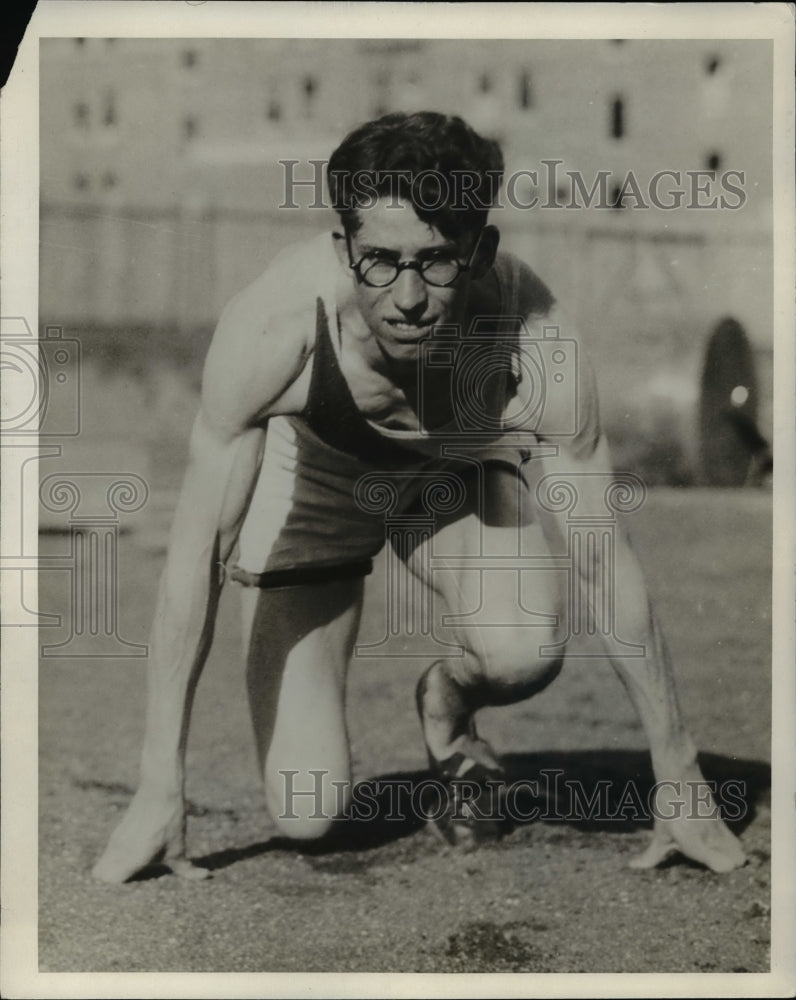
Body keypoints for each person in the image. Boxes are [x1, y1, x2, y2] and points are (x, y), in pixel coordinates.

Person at [93, 111, 746, 882]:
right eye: (379, 261)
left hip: (450, 476)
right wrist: (159, 787)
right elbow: (192, 564)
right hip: (314, 480)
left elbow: (605, 561)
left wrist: (678, 777)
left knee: (525, 652)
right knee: (310, 809)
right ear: (344, 249)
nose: (406, 296)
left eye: (437, 262)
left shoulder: (529, 338)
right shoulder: (275, 327)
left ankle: (446, 702)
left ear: (481, 250)